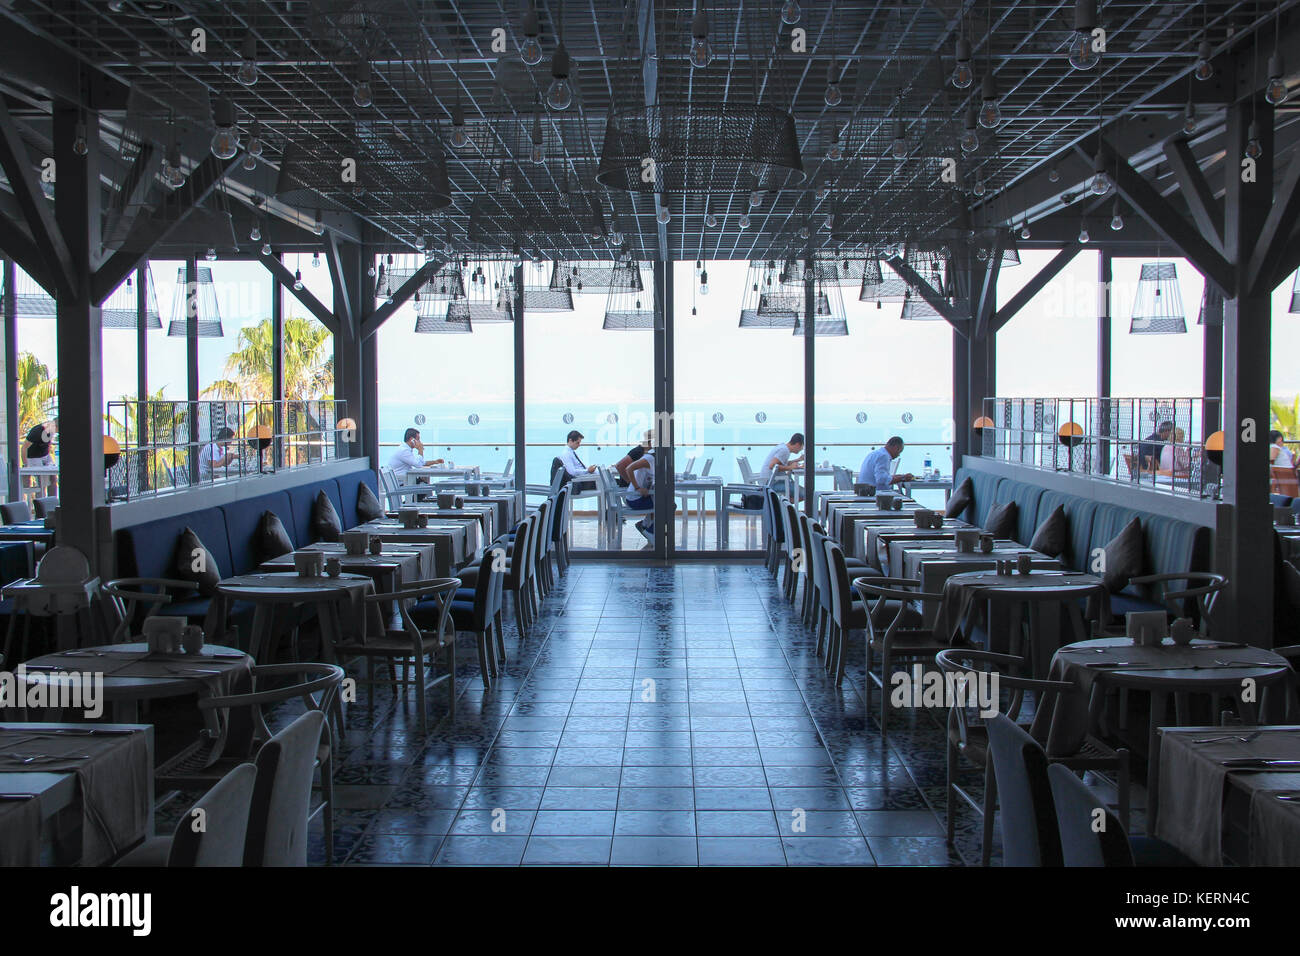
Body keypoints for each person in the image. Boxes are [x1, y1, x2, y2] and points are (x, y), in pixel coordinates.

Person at [757, 433, 805, 498]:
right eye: (802, 446)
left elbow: (781, 463)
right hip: (771, 483)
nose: (802, 449)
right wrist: (790, 467)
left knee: (800, 492)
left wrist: (798, 459)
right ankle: (782, 505)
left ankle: (782, 505)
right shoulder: (784, 450)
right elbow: (772, 466)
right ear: (797, 444)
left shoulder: (783, 447)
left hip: (768, 481)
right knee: (805, 493)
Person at [626, 445, 655, 544]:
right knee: (667, 505)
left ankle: (644, 525)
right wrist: (638, 488)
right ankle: (649, 530)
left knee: (665, 502)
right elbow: (629, 468)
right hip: (634, 499)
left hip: (640, 497)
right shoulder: (649, 459)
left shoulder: (654, 460)